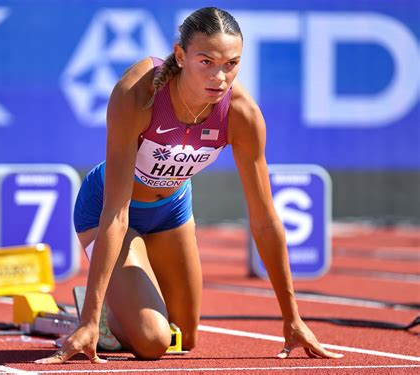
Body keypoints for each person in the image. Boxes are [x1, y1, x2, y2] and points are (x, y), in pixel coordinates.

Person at [36, 7, 343, 364]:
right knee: (153, 342)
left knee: (184, 336)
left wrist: (292, 318)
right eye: (206, 61)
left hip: (172, 212)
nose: (220, 77)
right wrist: (89, 319)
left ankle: (120, 302)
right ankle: (88, 317)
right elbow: (117, 213)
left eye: (231, 64)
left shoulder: (242, 115)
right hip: (110, 206)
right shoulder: (138, 94)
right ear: (180, 56)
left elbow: (264, 219)